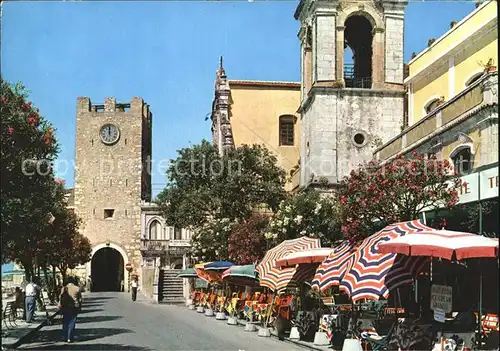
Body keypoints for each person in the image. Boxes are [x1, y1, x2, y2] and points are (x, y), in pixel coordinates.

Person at [58, 277, 82, 343]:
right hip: (74, 307)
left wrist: (59, 306)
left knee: (65, 322)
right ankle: (70, 337)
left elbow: (60, 298)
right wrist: (80, 307)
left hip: (65, 307)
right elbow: (80, 299)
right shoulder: (77, 288)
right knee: (72, 322)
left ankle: (65, 337)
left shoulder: (63, 288)